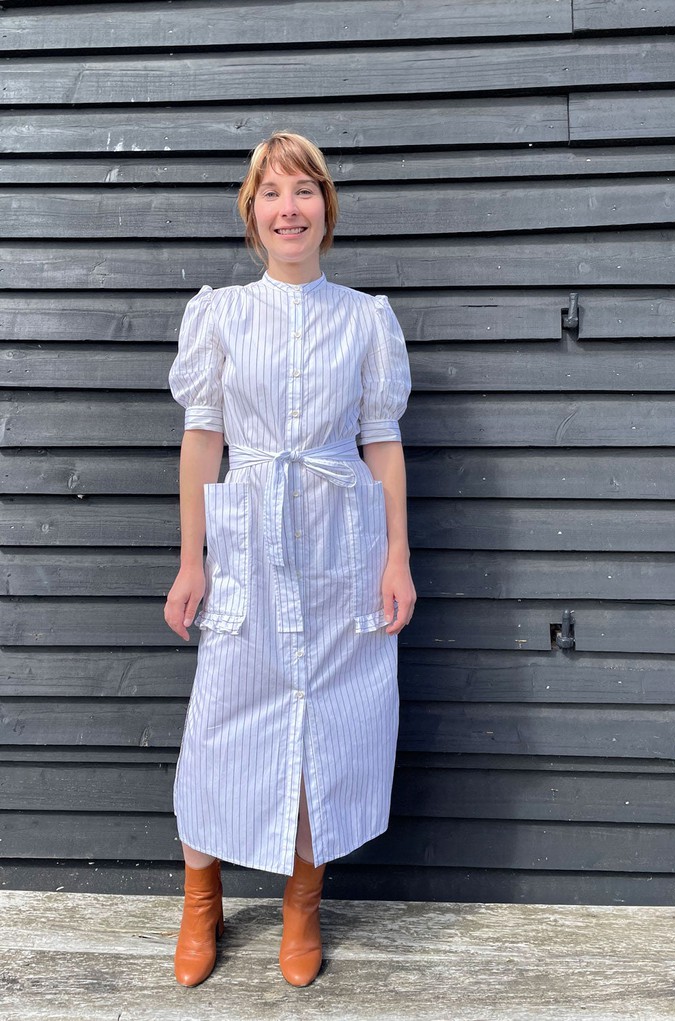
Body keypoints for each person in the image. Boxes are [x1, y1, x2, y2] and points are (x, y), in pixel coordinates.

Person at [164, 130, 416, 988]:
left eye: (303, 190)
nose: (288, 207)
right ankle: (203, 899)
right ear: (253, 212)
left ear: (325, 209)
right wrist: (191, 558)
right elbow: (204, 442)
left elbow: (381, 443)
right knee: (219, 726)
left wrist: (398, 557)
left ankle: (303, 904)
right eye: (272, 193)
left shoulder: (365, 318)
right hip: (250, 550)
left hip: (344, 548)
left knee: (326, 729)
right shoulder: (223, 315)